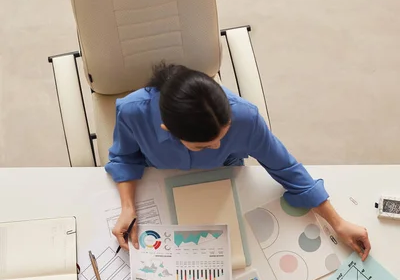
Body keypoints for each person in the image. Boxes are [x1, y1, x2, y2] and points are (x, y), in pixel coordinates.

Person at [106, 62, 371, 260]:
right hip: (158, 185)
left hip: (224, 182)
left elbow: (287, 169)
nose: (218, 146)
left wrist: (337, 222)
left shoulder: (245, 118)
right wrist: (128, 207)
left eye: (223, 134)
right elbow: (125, 157)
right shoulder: (132, 113)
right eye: (205, 146)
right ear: (168, 130)